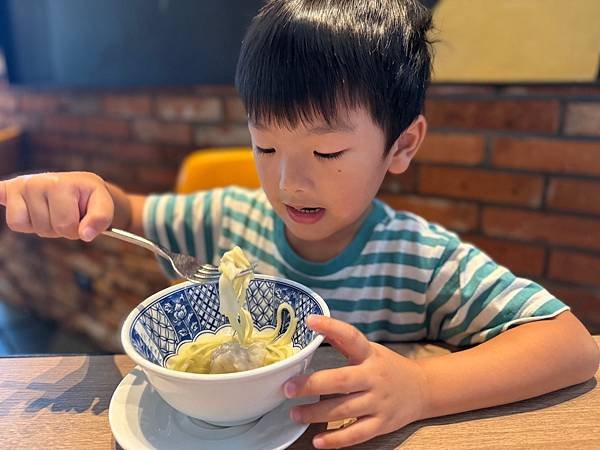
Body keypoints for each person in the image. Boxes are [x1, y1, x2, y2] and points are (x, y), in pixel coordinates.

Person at [0, 0, 598, 448]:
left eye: (328, 154)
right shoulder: (229, 217)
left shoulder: (420, 260)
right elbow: (128, 212)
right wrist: (89, 195)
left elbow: (569, 345)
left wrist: (422, 388)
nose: (288, 184)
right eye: (265, 147)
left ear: (401, 145)